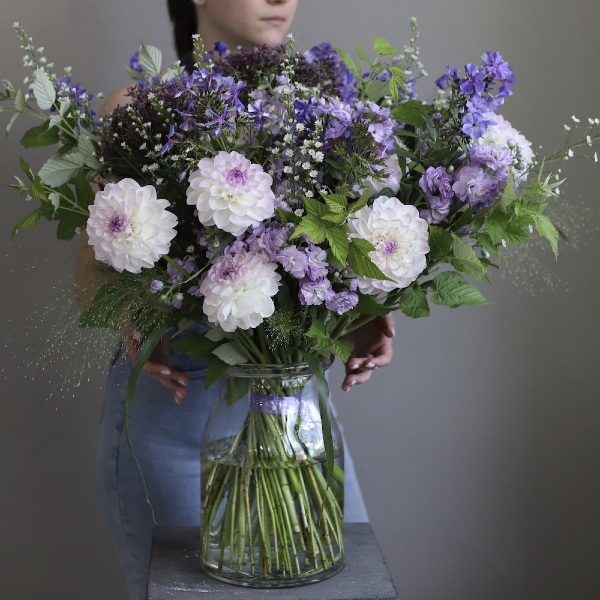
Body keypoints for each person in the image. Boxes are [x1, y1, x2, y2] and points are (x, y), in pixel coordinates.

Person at [76, 1, 395, 598]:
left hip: (295, 412)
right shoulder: (135, 108)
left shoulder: (327, 114)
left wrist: (358, 310)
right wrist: (133, 314)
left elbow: (333, 259)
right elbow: (92, 270)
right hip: (174, 409)